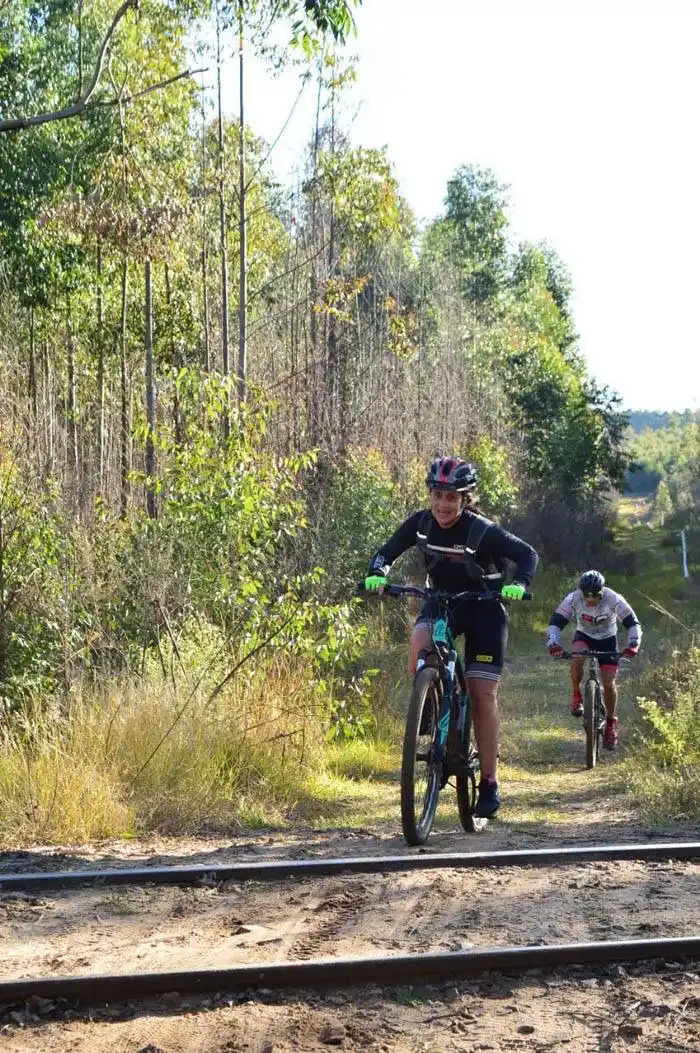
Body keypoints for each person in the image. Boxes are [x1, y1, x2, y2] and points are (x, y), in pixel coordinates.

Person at [364, 455, 538, 819]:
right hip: (441, 601)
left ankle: (488, 783)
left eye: (451, 497)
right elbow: (386, 552)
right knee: (419, 640)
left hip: (485, 608)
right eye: (437, 495)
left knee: (482, 693)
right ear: (430, 495)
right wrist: (377, 573)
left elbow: (527, 554)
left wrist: (519, 585)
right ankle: (429, 701)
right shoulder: (421, 523)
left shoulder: (482, 530)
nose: (443, 504)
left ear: (465, 499)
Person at [546, 570, 642, 749]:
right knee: (577, 655)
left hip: (607, 639)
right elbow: (556, 621)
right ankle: (576, 696)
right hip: (584, 636)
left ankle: (611, 724)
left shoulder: (614, 599)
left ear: (602, 592)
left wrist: (634, 644)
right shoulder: (573, 598)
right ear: (581, 592)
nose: (590, 599)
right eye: (586, 595)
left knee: (609, 683)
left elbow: (632, 623)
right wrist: (553, 643)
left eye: (595, 595)